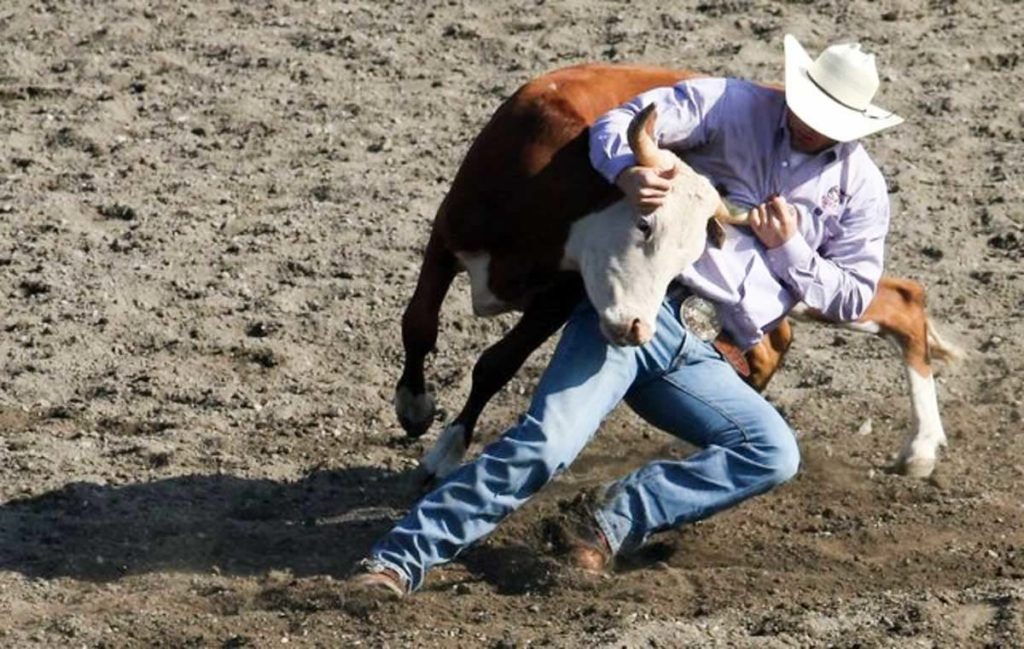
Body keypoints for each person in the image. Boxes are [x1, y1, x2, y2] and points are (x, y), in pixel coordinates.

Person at [350, 34, 903, 597]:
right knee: (548, 445)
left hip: (700, 343)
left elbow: (853, 295)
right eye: (806, 107)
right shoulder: (733, 105)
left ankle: (607, 521)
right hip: (638, 300)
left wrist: (791, 250)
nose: (808, 124)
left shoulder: (861, 191)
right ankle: (399, 559)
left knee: (771, 454)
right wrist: (624, 173)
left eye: (826, 118)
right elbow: (625, 120)